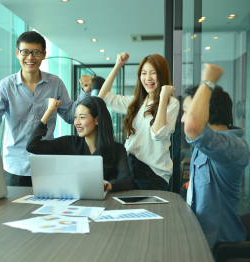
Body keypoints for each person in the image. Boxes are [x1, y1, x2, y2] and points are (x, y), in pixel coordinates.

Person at [0, 31, 91, 187]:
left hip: (46, 164)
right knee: (16, 212)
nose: (30, 57)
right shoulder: (6, 86)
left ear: (44, 54)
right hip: (15, 166)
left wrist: (85, 92)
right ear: (17, 54)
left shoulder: (55, 83)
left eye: (36, 52)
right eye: (25, 52)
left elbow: (69, 116)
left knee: (47, 209)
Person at [181, 63, 249, 248]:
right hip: (198, 236)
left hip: (219, 245)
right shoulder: (208, 143)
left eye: (186, 112)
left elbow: (193, 127)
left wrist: (208, 81)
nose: (183, 119)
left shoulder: (233, 146)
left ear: (206, 111)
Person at [98, 53, 179, 190]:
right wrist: (118, 66)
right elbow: (103, 97)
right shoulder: (136, 102)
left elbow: (157, 134)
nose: (148, 78)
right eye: (144, 73)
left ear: (162, 74)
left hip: (153, 174)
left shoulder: (171, 103)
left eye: (153, 73)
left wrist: (164, 96)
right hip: (130, 168)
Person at [26, 96, 134, 192]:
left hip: (105, 203)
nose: (77, 122)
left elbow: (127, 180)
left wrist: (105, 186)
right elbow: (33, 146)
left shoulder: (117, 149)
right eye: (75, 117)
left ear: (96, 120)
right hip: (73, 204)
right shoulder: (69, 143)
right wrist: (49, 111)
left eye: (82, 117)